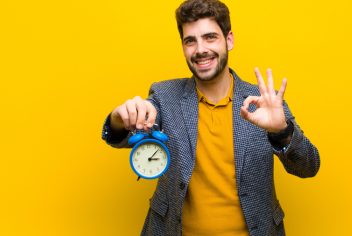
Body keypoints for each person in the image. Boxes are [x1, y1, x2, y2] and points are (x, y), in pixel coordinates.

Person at [101, 0, 320, 235]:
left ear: (229, 40)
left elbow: (308, 167)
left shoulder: (265, 101)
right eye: (190, 41)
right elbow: (128, 133)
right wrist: (118, 118)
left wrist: (282, 132)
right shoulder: (165, 96)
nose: (200, 49)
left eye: (210, 37)